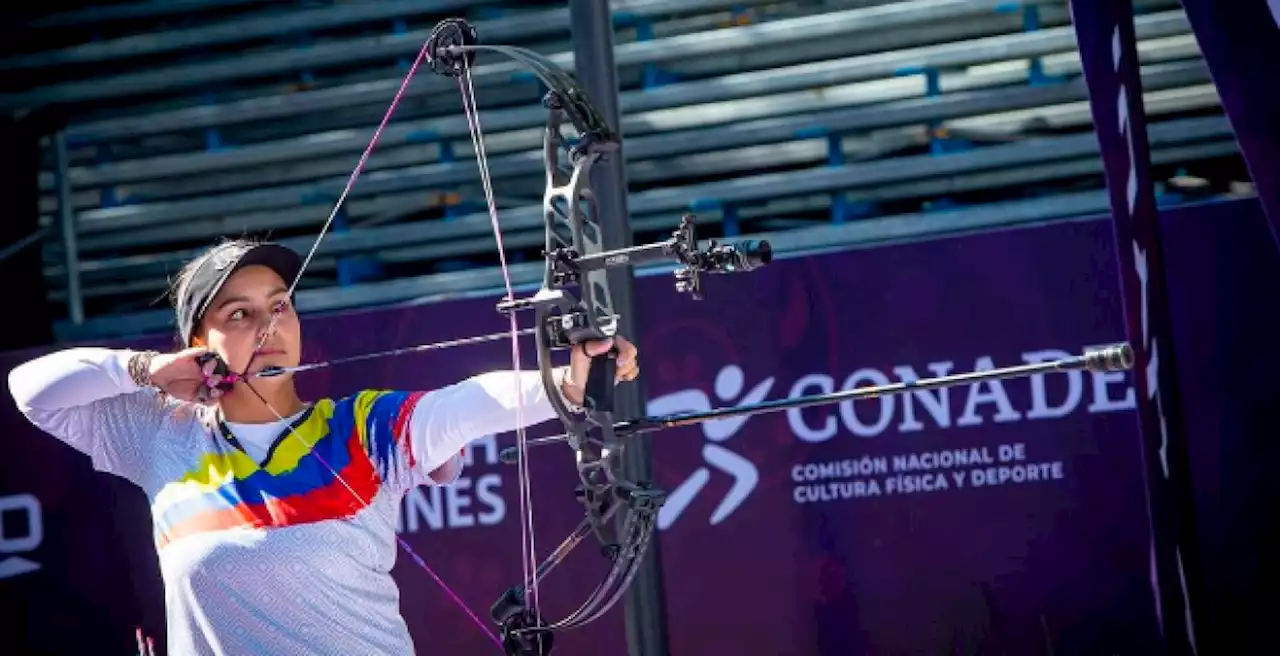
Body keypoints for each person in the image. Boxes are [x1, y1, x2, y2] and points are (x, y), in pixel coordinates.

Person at [7, 238, 639, 655]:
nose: (269, 326)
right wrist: (146, 371)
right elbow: (29, 389)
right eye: (240, 315)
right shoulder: (158, 433)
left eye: (280, 307)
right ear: (197, 341)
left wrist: (569, 381)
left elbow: (469, 403)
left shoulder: (360, 429)